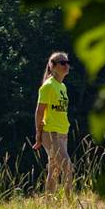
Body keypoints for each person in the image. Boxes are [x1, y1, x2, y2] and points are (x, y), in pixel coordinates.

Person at [31, 51, 73, 193]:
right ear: (52, 66)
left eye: (67, 62)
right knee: (68, 167)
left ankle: (50, 204)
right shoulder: (48, 86)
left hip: (63, 132)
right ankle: (70, 202)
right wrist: (39, 136)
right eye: (62, 63)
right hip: (51, 133)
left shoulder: (62, 87)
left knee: (54, 169)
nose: (66, 65)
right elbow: (39, 112)